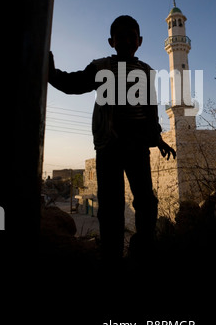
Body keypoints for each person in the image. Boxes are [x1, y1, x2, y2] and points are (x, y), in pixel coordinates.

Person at [48, 15, 176, 261]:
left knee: (146, 201)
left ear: (139, 40)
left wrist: (157, 139)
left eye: (131, 37)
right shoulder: (101, 67)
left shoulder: (146, 72)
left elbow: (150, 111)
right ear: (111, 41)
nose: (126, 41)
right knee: (111, 206)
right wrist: (52, 74)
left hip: (137, 147)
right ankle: (112, 255)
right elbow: (74, 83)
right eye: (121, 37)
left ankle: (143, 249)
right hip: (110, 146)